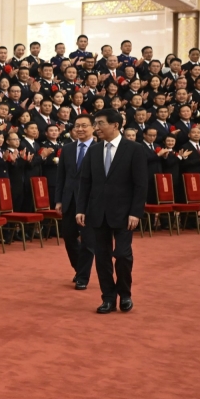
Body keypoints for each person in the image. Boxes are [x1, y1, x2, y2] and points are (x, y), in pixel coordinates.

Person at [76, 108, 147, 314]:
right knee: (102, 257)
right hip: (97, 212)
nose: (96, 128)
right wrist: (81, 208)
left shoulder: (134, 149)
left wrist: (136, 212)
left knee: (123, 255)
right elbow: (85, 182)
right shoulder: (94, 150)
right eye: (95, 123)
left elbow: (141, 185)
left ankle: (125, 294)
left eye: (100, 123)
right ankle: (108, 297)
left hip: (125, 214)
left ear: (115, 125)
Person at [55, 115, 96, 290]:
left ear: (93, 128)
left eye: (84, 126)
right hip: (69, 199)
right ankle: (80, 268)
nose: (80, 129)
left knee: (88, 240)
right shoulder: (68, 148)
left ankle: (82, 277)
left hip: (90, 202)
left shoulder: (99, 148)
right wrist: (58, 199)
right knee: (69, 237)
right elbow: (61, 176)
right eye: (77, 126)